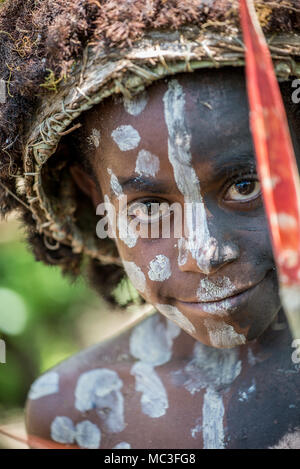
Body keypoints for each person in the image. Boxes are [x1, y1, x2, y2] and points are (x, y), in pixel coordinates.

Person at [0, 0, 299, 449]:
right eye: (151, 208)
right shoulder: (78, 414)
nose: (204, 253)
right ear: (98, 199)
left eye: (244, 186)